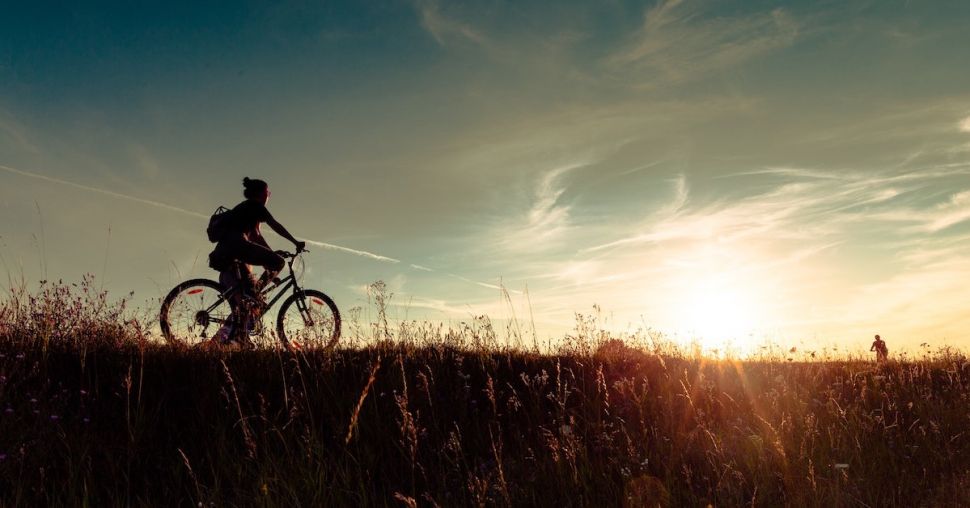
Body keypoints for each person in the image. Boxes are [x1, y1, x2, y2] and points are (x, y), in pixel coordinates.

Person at [209, 177, 305, 345]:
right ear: (262, 194)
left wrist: (270, 254)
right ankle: (256, 292)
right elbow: (275, 225)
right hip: (237, 246)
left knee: (247, 302)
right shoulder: (256, 206)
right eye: (268, 193)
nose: (269, 196)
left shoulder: (245, 209)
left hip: (225, 251)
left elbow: (256, 236)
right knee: (279, 263)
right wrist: (295, 242)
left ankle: (239, 335)